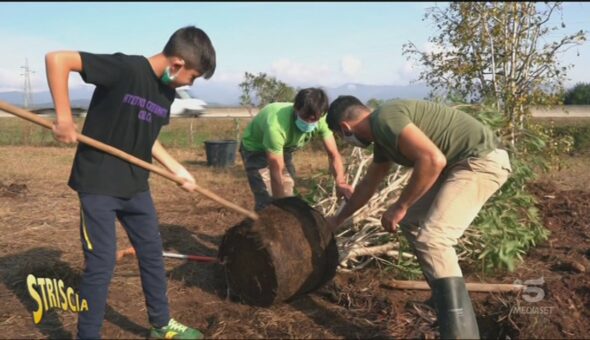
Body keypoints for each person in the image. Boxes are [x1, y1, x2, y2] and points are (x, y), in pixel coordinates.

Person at [46, 26, 216, 339]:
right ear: (177, 64)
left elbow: (147, 138)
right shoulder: (126, 69)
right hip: (98, 184)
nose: (190, 83)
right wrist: (64, 116)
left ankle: (161, 324)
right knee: (102, 263)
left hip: (136, 185)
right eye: (192, 77)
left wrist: (177, 168)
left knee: (151, 252)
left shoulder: (165, 92)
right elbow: (58, 59)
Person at [325, 96, 512, 339]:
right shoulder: (382, 136)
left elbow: (433, 160)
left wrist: (400, 205)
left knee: (434, 239)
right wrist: (337, 221)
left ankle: (462, 335)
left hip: (480, 161)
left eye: (342, 137)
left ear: (345, 128)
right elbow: (368, 184)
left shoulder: (385, 118)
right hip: (459, 165)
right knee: (412, 220)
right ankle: (444, 301)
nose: (347, 141)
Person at [239, 88, 353, 211]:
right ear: (295, 108)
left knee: (288, 191)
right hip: (256, 150)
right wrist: (281, 207)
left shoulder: (321, 119)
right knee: (267, 198)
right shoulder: (276, 126)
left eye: (314, 119)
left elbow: (334, 154)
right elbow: (276, 169)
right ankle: (263, 224)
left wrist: (341, 182)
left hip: (285, 149)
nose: (309, 122)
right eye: (305, 117)